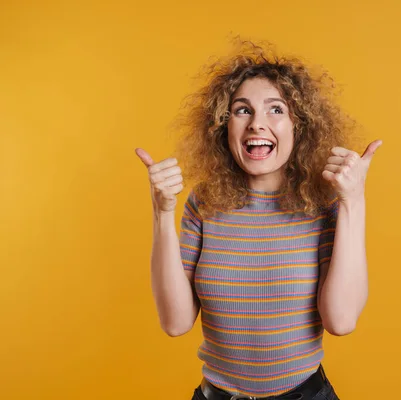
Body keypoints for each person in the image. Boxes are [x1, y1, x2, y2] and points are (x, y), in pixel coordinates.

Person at [136, 41, 382, 400]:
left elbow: (341, 321)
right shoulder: (204, 203)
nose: (257, 124)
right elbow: (175, 323)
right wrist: (161, 211)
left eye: (275, 110)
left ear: (300, 125)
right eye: (241, 110)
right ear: (223, 126)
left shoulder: (323, 204)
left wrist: (352, 201)